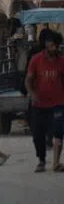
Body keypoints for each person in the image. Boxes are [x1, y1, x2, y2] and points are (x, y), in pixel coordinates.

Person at [25, 29, 64, 173]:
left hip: (58, 103)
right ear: (47, 45)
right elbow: (28, 80)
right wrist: (32, 94)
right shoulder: (36, 59)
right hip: (39, 104)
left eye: (57, 46)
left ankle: (56, 163)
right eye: (53, 45)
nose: (56, 49)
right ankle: (41, 160)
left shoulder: (61, 61)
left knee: (58, 132)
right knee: (37, 134)